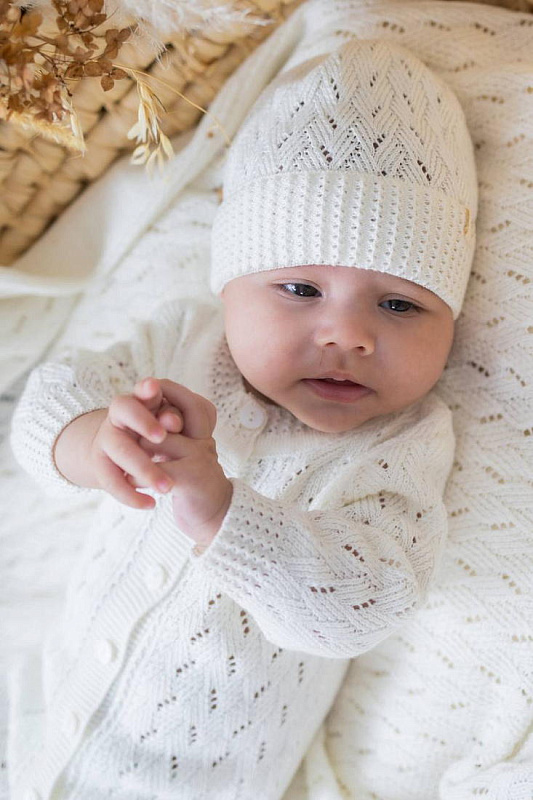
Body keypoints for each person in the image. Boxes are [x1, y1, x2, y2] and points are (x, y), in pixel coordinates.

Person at [8, 38, 477, 800]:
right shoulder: (183, 342)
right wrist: (92, 440)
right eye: (300, 289)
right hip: (34, 723)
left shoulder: (401, 443)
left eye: (399, 304)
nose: (348, 334)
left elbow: (368, 603)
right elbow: (47, 401)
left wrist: (225, 515)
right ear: (229, 285)